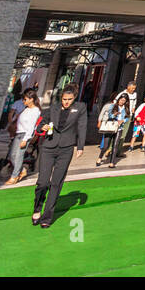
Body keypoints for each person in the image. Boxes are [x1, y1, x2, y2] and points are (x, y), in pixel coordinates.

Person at [32, 86, 85, 228]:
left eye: (69, 100)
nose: (66, 102)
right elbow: (41, 123)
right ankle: (37, 207)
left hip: (66, 149)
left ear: (74, 98)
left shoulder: (80, 108)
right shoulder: (53, 108)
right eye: (64, 99)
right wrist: (41, 128)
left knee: (56, 183)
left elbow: (82, 126)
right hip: (49, 147)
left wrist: (80, 146)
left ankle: (47, 217)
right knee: (43, 182)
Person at [3, 88, 41, 184]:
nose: (23, 101)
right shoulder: (26, 109)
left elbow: (32, 126)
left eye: (25, 99)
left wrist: (26, 139)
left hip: (25, 135)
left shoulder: (35, 110)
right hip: (18, 133)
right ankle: (22, 170)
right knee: (12, 155)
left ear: (31, 99)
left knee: (19, 156)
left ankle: (14, 176)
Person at [96, 93, 131, 167]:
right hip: (111, 127)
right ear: (118, 99)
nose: (122, 102)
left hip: (119, 128)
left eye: (124, 100)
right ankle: (100, 158)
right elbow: (109, 115)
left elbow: (128, 117)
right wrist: (114, 115)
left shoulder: (126, 108)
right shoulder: (113, 106)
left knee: (115, 145)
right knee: (106, 146)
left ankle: (112, 162)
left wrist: (123, 120)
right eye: (121, 100)